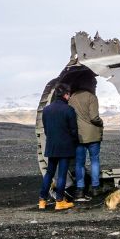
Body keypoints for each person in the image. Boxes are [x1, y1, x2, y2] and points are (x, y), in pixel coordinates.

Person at [38, 83, 78, 211]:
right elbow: (73, 130)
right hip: (65, 146)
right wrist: (73, 141)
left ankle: (42, 200)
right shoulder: (69, 110)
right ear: (66, 94)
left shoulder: (47, 110)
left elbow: (46, 129)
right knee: (61, 175)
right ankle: (59, 201)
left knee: (49, 173)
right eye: (69, 94)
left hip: (52, 145)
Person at [68, 69, 105, 201]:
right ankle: (95, 188)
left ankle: (80, 189)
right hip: (93, 134)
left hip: (78, 136)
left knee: (79, 163)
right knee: (94, 160)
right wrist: (101, 122)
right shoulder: (91, 97)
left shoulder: (72, 98)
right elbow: (94, 117)